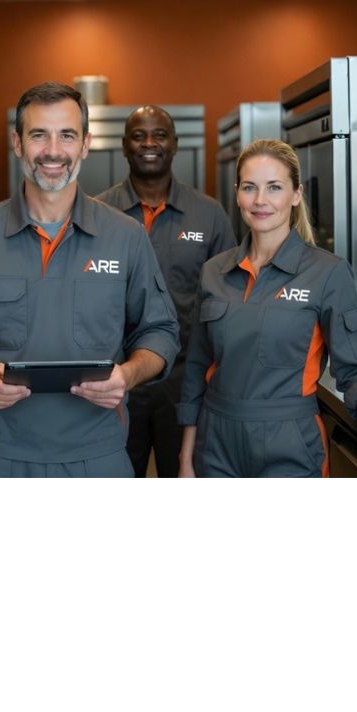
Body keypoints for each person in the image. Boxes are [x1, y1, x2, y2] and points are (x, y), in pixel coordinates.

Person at [0, 82, 180, 477]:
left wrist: (127, 375)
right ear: (18, 143)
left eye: (67, 135)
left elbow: (161, 331)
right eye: (39, 135)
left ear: (86, 144)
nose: (53, 151)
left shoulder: (125, 236)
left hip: (98, 456)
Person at [177, 139, 357, 477]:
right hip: (215, 443)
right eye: (250, 187)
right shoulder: (214, 272)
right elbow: (197, 369)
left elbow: (356, 369)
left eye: (274, 187)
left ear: (296, 194)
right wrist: (186, 458)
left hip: (289, 443)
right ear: (238, 193)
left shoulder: (327, 273)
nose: (260, 200)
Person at [94, 105, 234, 477]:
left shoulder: (209, 214)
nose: (149, 143)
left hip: (186, 382)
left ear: (174, 144)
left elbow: (231, 301)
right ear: (124, 146)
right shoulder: (97, 214)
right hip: (114, 382)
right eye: (139, 135)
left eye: (159, 135)